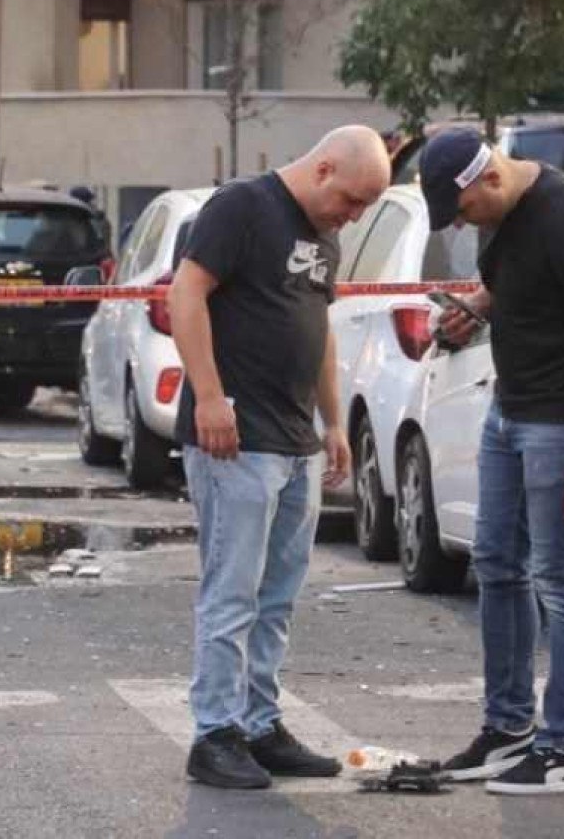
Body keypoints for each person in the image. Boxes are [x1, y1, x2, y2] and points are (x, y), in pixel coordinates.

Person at [167, 126, 391, 789]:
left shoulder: (325, 234)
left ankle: (260, 725)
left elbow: (317, 329)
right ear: (323, 169)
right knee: (231, 593)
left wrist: (333, 422)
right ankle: (214, 735)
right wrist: (210, 398)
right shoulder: (240, 209)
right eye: (350, 201)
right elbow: (186, 294)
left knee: (278, 598)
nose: (351, 217)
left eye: (361, 209)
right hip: (236, 440)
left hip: (295, 442)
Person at [416, 129, 564, 796]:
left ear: (484, 179)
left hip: (562, 423)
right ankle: (508, 730)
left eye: (460, 211)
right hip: (508, 411)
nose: (462, 225)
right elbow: (517, 287)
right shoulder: (500, 216)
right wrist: (474, 312)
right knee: (496, 565)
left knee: (562, 581)